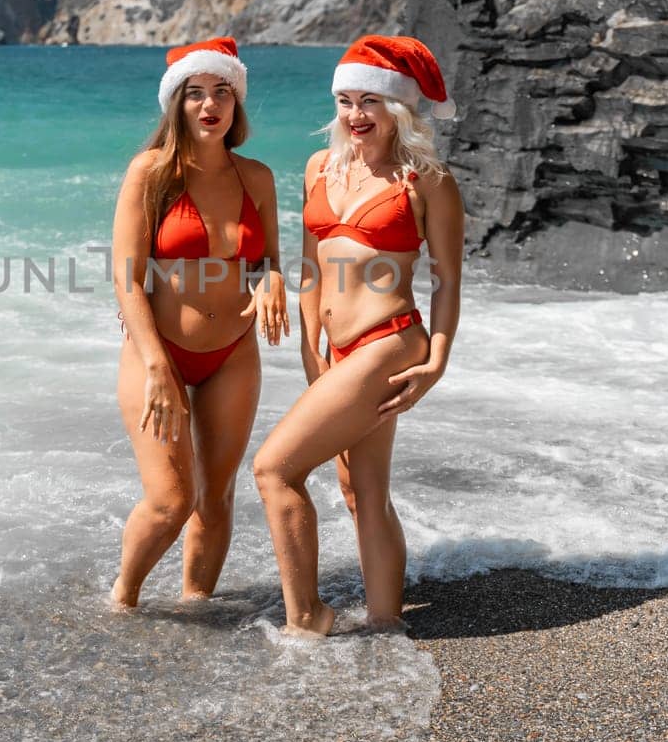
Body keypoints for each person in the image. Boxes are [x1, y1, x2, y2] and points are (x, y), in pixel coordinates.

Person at [252, 35, 464, 636]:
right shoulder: (321, 167)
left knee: (275, 469)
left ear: (398, 107)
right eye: (346, 101)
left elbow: (448, 283)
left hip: (390, 342)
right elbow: (311, 267)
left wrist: (437, 361)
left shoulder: (428, 181)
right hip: (336, 351)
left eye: (370, 101)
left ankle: (306, 620)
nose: (355, 115)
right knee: (361, 489)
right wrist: (308, 345)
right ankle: (384, 625)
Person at [109, 37, 288, 607]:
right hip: (156, 352)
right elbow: (127, 278)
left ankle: (196, 611)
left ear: (236, 104)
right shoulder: (152, 172)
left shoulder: (256, 177)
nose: (210, 105)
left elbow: (266, 264)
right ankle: (122, 600)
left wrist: (275, 283)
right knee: (170, 501)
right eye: (195, 94)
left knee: (215, 499)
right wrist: (157, 365)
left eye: (222, 93)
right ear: (176, 105)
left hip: (231, 354)